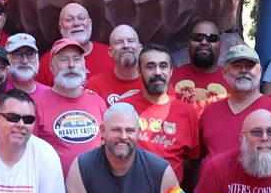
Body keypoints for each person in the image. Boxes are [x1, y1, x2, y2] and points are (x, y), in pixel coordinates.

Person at [199, 45, 271, 156]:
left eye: (249, 66)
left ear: (260, 71)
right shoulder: (210, 112)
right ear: (224, 72)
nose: (243, 71)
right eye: (236, 66)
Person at [34, 38, 108, 176]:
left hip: (95, 183)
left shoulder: (98, 102)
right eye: (64, 60)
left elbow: (106, 144)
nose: (71, 65)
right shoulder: (36, 104)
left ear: (84, 65)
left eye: (77, 59)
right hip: (54, 184)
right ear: (52, 68)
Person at [133, 44, 200, 183]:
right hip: (131, 190)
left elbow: (191, 160)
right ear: (139, 71)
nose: (158, 72)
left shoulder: (187, 112)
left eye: (163, 66)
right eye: (150, 67)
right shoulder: (125, 108)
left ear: (171, 71)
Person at [37, 2, 113, 85]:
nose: (76, 23)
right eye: (69, 20)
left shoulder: (110, 55)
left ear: (90, 23)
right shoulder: (47, 62)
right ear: (60, 27)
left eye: (81, 18)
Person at [170, 21, 228, 108]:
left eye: (211, 38)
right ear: (189, 44)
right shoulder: (169, 77)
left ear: (220, 46)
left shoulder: (232, 81)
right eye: (197, 37)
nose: (204, 42)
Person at [87, 24, 145, 105]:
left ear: (140, 48)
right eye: (118, 42)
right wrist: (120, 104)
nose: (126, 46)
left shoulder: (153, 82)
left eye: (131, 41)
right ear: (110, 52)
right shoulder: (95, 84)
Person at [4, 33, 47, 100]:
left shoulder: (48, 94)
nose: (24, 61)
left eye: (30, 54)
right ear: (6, 58)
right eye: (17, 54)